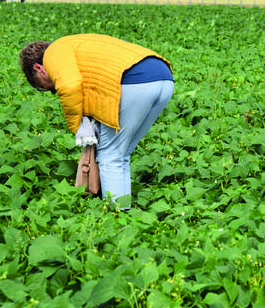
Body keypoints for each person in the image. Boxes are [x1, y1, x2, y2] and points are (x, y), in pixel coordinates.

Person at [19, 34, 174, 208]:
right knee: (121, 154)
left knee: (110, 156)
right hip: (163, 78)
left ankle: (115, 220)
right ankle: (125, 214)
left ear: (39, 68)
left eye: (43, 86)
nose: (52, 90)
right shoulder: (73, 43)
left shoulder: (54, 53)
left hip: (134, 81)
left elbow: (69, 85)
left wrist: (77, 127)